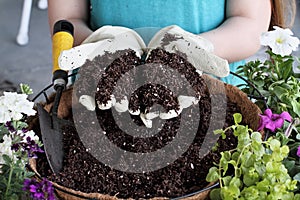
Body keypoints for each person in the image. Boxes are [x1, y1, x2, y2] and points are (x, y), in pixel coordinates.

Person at [47, 0, 296, 85]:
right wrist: (102, 46)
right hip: (106, 85)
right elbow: (67, 19)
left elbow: (249, 22)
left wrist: (192, 49)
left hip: (211, 90)